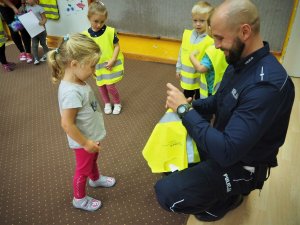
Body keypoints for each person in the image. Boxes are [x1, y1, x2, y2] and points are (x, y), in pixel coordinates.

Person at [155, 0, 295, 222]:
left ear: (245, 31)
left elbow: (227, 151)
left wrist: (184, 109)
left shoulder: (267, 86)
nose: (216, 45)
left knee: (167, 194)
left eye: (220, 38)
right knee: (168, 162)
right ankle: (215, 183)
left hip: (241, 162)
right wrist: (191, 105)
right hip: (225, 143)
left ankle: (233, 196)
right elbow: (221, 100)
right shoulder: (239, 62)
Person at [47, 33, 116, 212]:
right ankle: (79, 198)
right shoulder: (71, 92)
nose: (94, 71)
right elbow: (67, 124)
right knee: (82, 169)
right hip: (82, 140)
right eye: (92, 66)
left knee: (93, 160)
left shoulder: (77, 80)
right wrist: (85, 143)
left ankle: (95, 179)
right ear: (74, 64)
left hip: (89, 135)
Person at [82, 0, 124, 115]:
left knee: (110, 86)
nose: (99, 24)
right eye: (96, 21)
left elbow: (117, 47)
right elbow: (87, 52)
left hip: (109, 65)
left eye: (102, 21)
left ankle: (117, 102)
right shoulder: (85, 35)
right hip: (97, 67)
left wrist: (113, 60)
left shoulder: (110, 31)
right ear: (89, 18)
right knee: (101, 86)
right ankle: (106, 103)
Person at [176, 1, 214, 100]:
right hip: (188, 80)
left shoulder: (210, 40)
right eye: (195, 20)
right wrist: (178, 68)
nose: (197, 24)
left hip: (201, 80)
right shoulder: (187, 35)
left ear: (209, 21)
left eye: (202, 21)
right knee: (186, 97)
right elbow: (181, 53)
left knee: (199, 100)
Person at [25, 0, 49, 65]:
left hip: (41, 30)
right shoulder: (26, 7)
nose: (27, 1)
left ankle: (47, 54)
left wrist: (42, 22)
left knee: (43, 43)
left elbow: (44, 19)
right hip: (33, 30)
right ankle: (36, 58)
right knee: (34, 45)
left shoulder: (39, 8)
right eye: (26, 0)